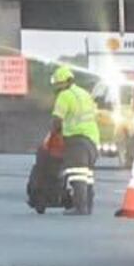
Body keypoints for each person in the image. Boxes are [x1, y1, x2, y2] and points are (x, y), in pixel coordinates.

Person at [28, 64, 104, 206]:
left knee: (77, 174)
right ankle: (88, 205)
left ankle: (80, 207)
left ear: (63, 83)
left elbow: (57, 121)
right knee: (87, 175)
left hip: (77, 139)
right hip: (93, 139)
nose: (56, 88)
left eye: (57, 84)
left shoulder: (64, 96)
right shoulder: (84, 93)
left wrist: (51, 136)